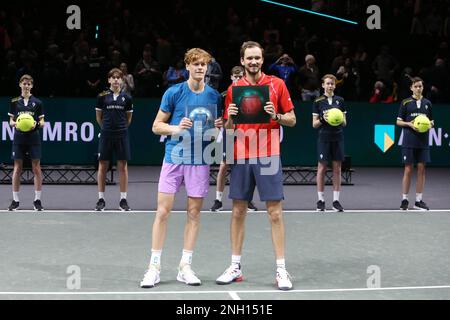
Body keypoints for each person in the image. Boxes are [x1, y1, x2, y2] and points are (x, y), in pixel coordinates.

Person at [216, 41, 296, 291]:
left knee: (275, 212)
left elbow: (292, 120)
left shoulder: (277, 84)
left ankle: (281, 270)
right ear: (242, 61)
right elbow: (229, 128)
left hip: (268, 153)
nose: (253, 62)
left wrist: (277, 116)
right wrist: (228, 118)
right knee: (238, 211)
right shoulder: (234, 88)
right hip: (241, 153)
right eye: (249, 58)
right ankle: (235, 266)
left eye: (257, 58)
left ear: (262, 60)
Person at [140, 48, 223, 288]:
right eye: (195, 64)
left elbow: (214, 133)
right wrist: (176, 128)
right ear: (187, 66)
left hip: (200, 161)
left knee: (194, 214)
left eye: (203, 65)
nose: (200, 68)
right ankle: (154, 267)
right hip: (174, 158)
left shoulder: (214, 96)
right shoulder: (173, 92)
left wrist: (218, 128)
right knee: (163, 212)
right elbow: (156, 126)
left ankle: (185, 266)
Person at [210, 65, 258, 213]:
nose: (237, 79)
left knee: (248, 167)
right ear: (231, 77)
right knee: (224, 165)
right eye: (235, 76)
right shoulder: (224, 95)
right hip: (230, 132)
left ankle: (247, 199)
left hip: (247, 133)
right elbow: (218, 115)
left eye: (240, 76)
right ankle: (218, 200)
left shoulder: (249, 93)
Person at [95, 68, 133, 211]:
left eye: (119, 78)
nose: (116, 80)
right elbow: (98, 117)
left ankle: (123, 199)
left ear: (122, 80)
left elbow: (128, 118)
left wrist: (120, 128)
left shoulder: (127, 98)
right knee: (103, 166)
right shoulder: (102, 96)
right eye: (113, 77)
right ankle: (101, 199)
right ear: (109, 80)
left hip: (122, 135)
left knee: (122, 167)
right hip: (106, 135)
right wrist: (106, 128)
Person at [7, 74, 45, 211]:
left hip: (33, 137)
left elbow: (42, 122)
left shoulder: (38, 103)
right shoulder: (14, 101)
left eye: (29, 84)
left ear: (32, 86)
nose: (26, 86)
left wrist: (36, 124)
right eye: (24, 83)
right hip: (19, 137)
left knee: (36, 168)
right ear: (20, 85)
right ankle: (15, 201)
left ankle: (37, 200)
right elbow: (10, 121)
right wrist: (15, 124)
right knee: (17, 168)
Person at [396, 77, 433, 211]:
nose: (418, 88)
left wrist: (429, 125)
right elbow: (398, 121)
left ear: (423, 88)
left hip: (423, 142)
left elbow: (431, 121)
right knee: (408, 169)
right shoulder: (405, 103)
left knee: (422, 169)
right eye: (416, 86)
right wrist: (409, 124)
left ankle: (418, 200)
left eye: (420, 86)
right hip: (409, 141)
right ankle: (404, 199)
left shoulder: (428, 103)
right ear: (411, 88)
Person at [312, 74, 347, 212]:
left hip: (338, 137)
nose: (330, 86)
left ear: (335, 85)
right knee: (321, 168)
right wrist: (323, 118)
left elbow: (345, 122)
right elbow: (314, 124)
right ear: (323, 85)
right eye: (328, 83)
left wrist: (338, 119)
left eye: (332, 84)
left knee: (337, 169)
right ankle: (320, 200)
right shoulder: (318, 101)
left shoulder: (340, 101)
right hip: (324, 137)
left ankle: (336, 201)